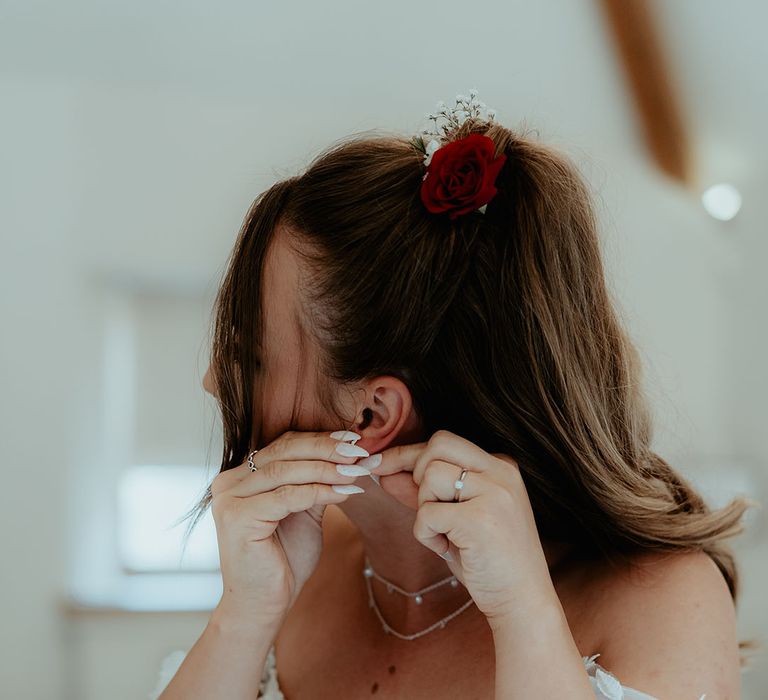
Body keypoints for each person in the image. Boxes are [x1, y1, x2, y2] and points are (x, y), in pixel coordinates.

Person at [150, 91, 754, 699]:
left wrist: (524, 616)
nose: (211, 379)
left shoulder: (665, 598)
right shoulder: (298, 559)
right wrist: (243, 618)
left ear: (372, 413)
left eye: (251, 357)